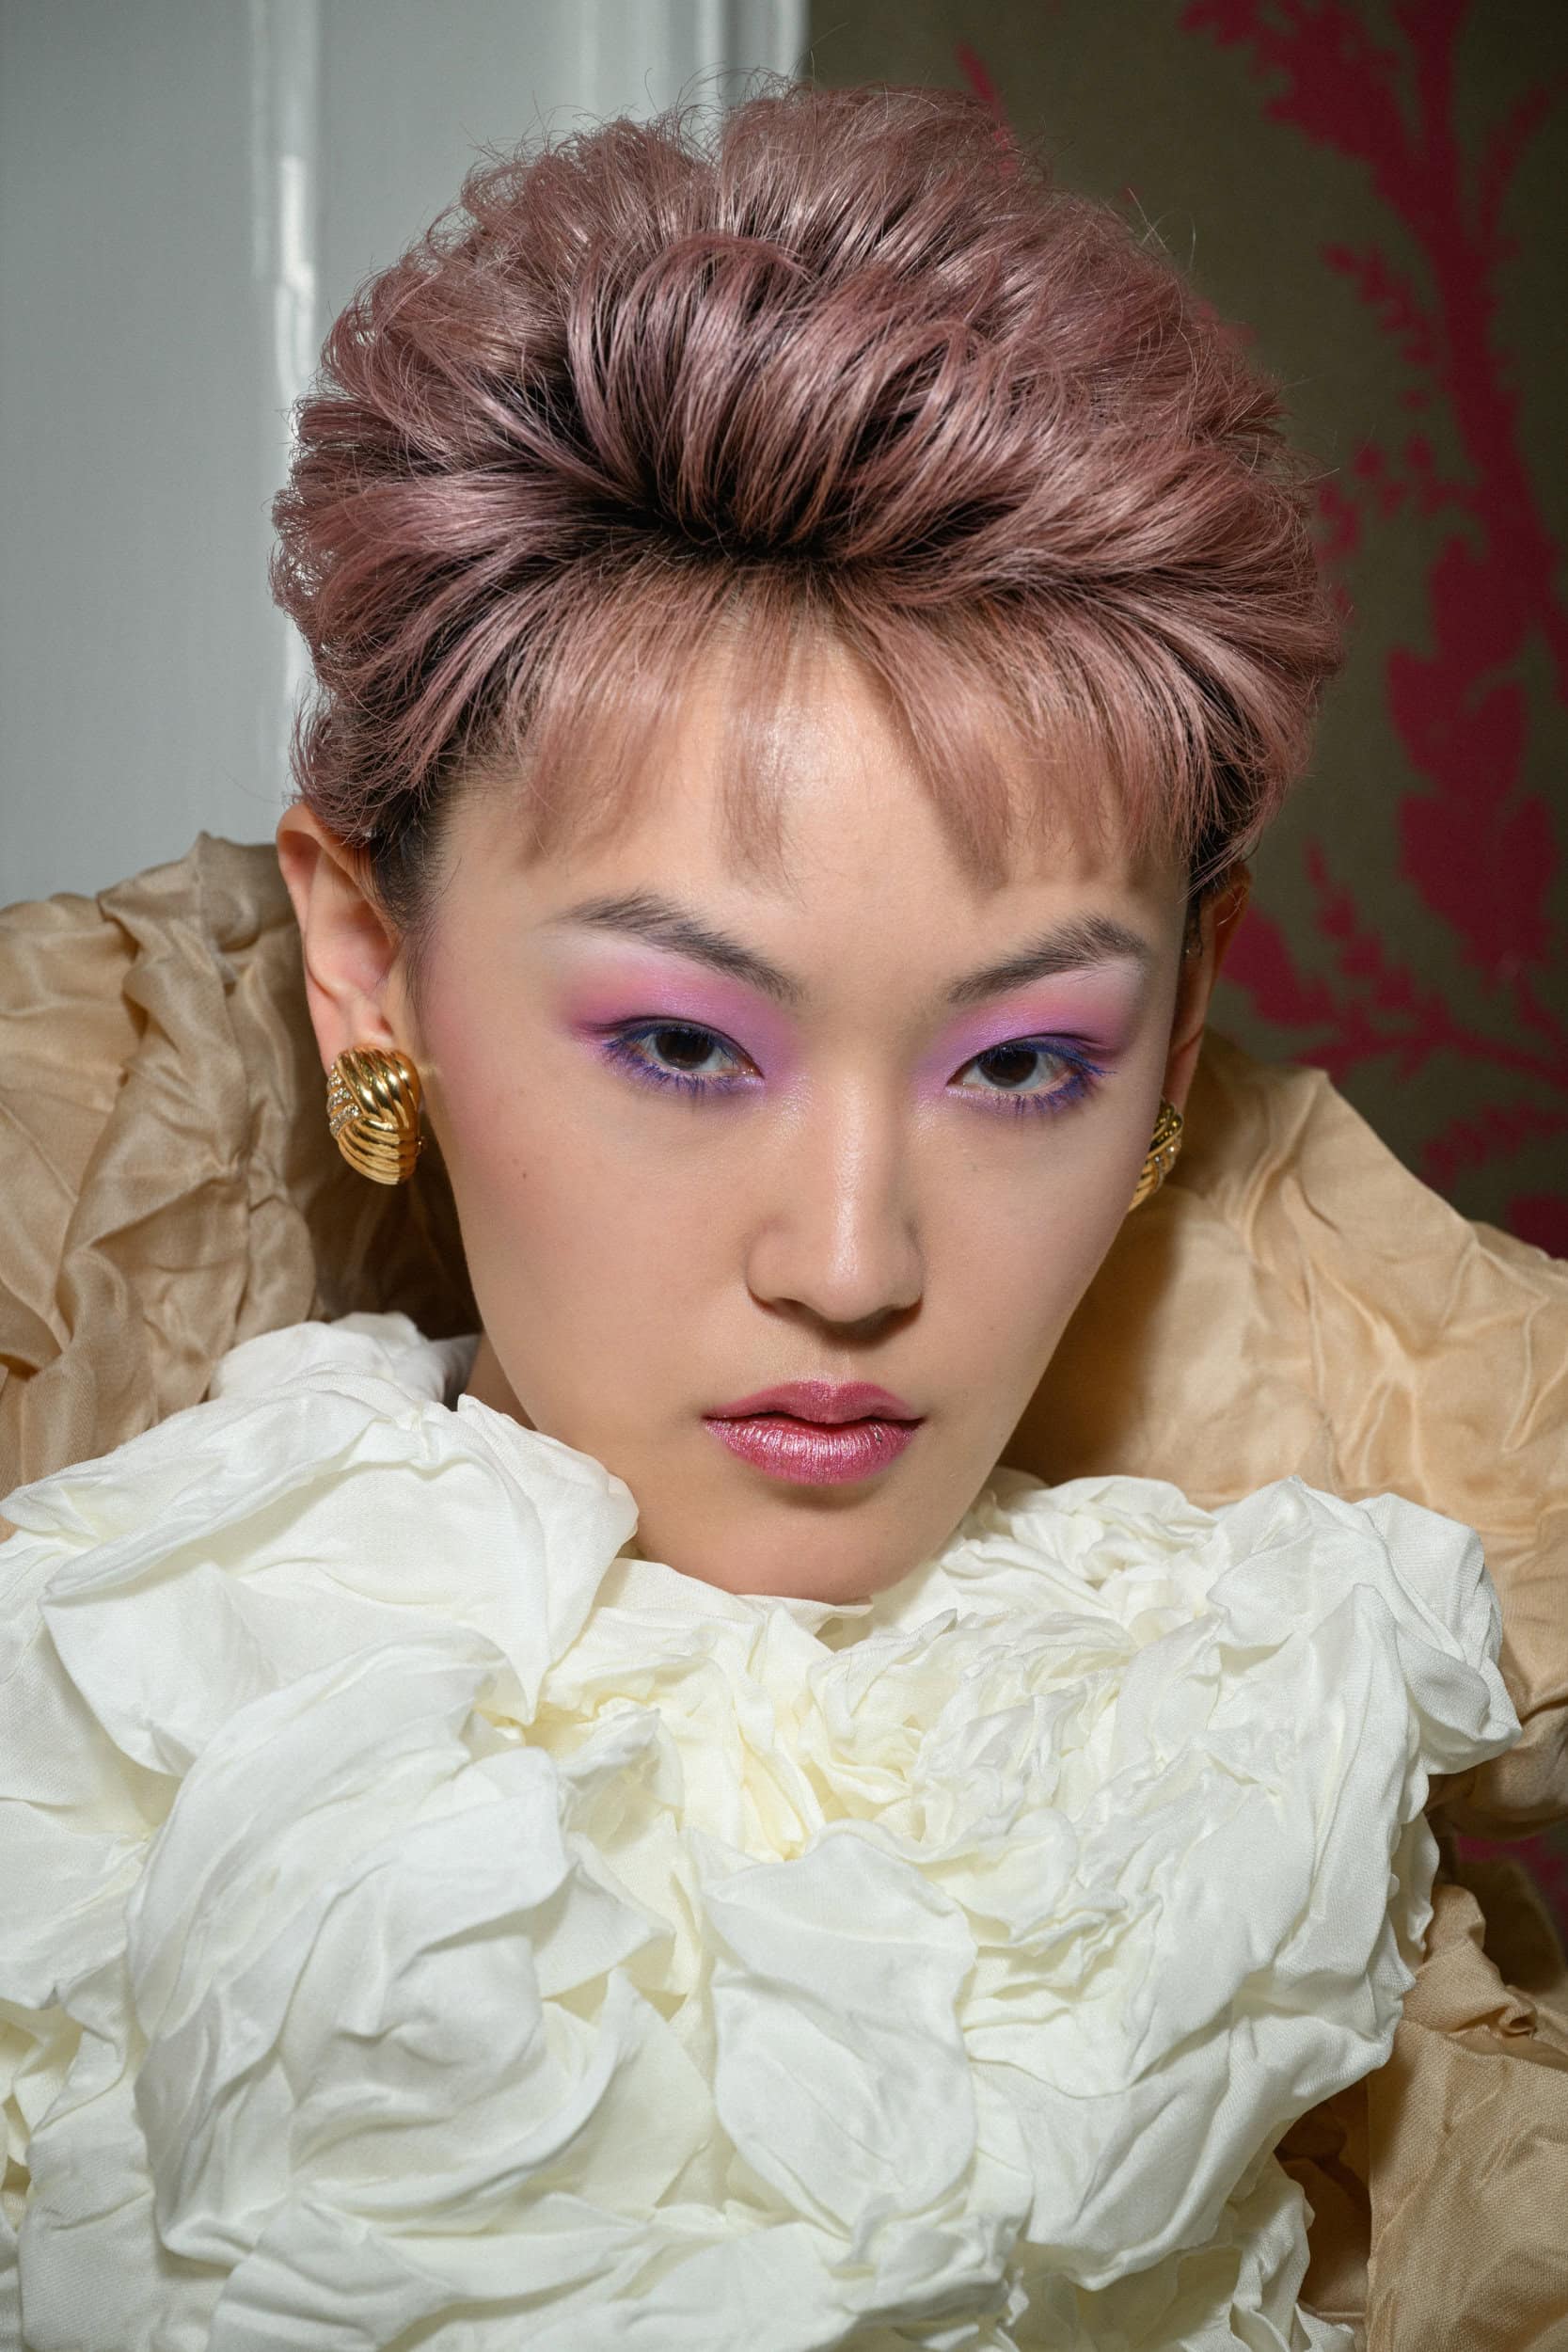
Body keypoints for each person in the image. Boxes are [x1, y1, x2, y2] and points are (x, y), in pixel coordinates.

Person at [0, 81, 1535, 2351]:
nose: (851, 1261)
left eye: (1021, 1063)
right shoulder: (99, 1689)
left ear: (1179, 1031)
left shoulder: (1266, 1723)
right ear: (367, 969)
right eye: (681, 1041)